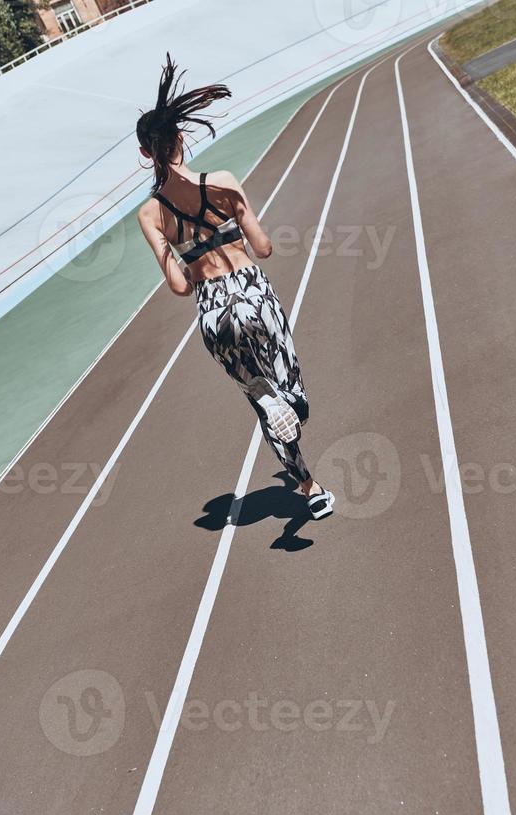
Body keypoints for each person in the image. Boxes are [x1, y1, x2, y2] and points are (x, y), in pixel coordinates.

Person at [136, 54, 334, 520]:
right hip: (250, 291)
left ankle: (310, 487)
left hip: (212, 309)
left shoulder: (149, 215)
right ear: (181, 139)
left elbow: (180, 287)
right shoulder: (221, 183)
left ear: (146, 153)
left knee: (261, 402)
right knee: (293, 397)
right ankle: (285, 400)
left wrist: (182, 252)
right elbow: (263, 247)